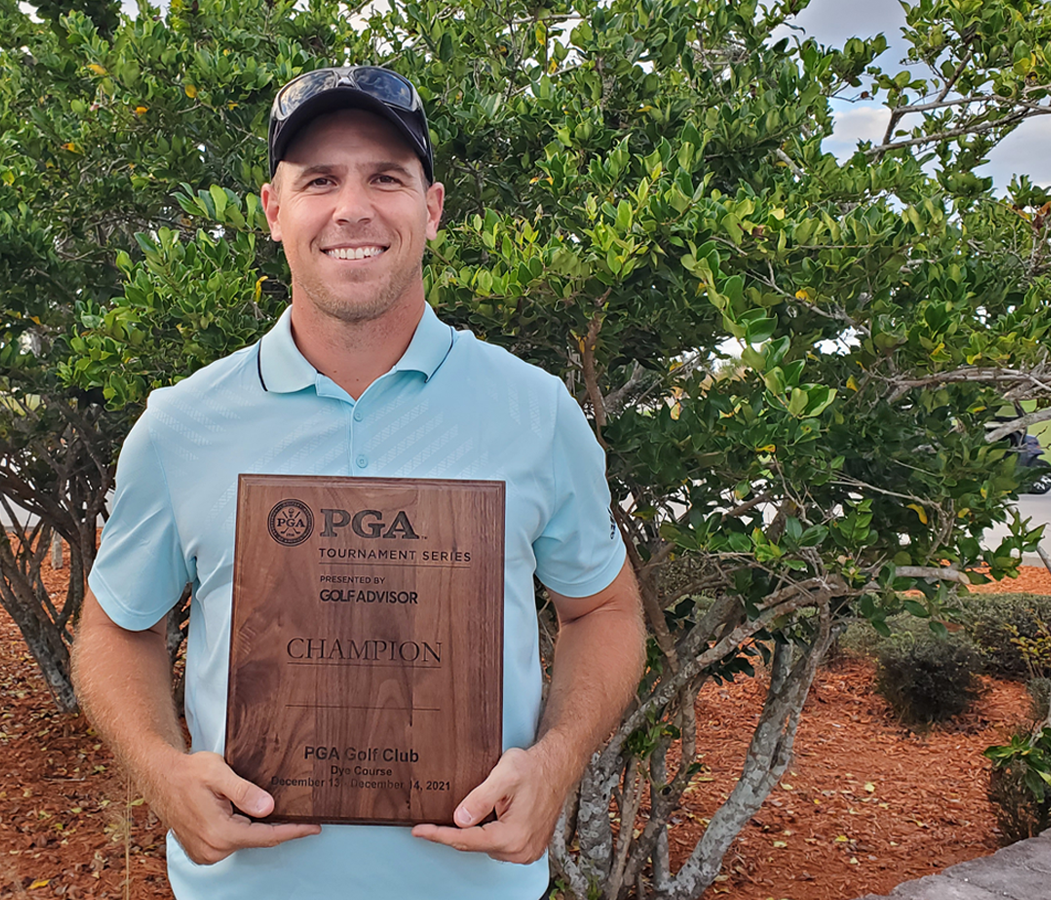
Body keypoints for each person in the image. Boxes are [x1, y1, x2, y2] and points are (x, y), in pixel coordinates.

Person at [72, 65, 646, 900]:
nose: (352, 208)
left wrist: (556, 763)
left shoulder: (535, 412)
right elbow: (115, 627)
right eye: (319, 180)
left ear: (432, 208)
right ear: (274, 210)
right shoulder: (181, 425)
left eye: (385, 177)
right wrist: (160, 770)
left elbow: (606, 610)